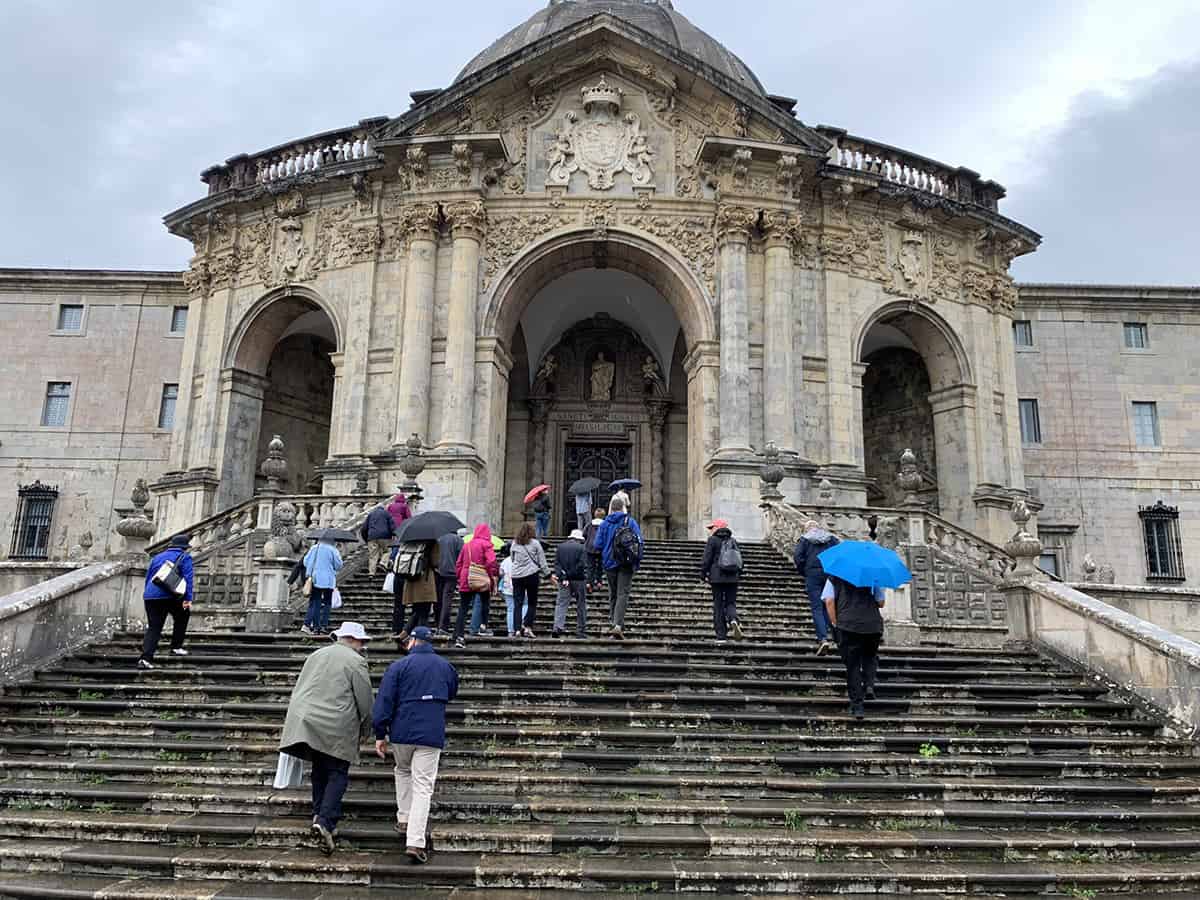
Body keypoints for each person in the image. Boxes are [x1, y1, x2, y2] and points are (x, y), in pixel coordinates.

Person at [279, 621, 374, 855]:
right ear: (352, 639)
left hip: (307, 719)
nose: (363, 646)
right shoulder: (356, 661)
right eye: (362, 642)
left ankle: (319, 814)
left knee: (320, 769)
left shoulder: (316, 654)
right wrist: (367, 727)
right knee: (338, 771)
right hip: (336, 722)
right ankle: (325, 820)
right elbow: (364, 698)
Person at [372, 626, 459, 865]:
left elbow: (384, 703)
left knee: (402, 770)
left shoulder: (398, 667)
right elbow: (452, 692)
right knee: (423, 785)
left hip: (401, 731)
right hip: (430, 732)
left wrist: (380, 733)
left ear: (412, 642)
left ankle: (404, 817)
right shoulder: (445, 666)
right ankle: (415, 840)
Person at [822, 575, 885, 720]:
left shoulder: (834, 577)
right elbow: (881, 602)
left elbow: (829, 601)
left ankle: (858, 706)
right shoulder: (873, 577)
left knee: (853, 665)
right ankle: (869, 684)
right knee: (870, 656)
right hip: (872, 625)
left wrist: (835, 622)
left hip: (848, 625)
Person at [138, 533, 194, 669]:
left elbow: (148, 577)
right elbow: (188, 578)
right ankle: (176, 646)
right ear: (185, 547)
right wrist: (188, 598)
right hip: (169, 595)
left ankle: (145, 659)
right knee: (183, 615)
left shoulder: (157, 557)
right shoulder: (185, 557)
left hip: (150, 596)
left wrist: (147, 593)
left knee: (154, 627)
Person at [593, 495, 643, 640]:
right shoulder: (630, 521)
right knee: (623, 593)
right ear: (622, 508)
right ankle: (617, 625)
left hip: (609, 563)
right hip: (626, 563)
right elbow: (639, 542)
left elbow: (597, 545)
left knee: (613, 593)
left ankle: (613, 622)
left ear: (611, 508)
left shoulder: (604, 524)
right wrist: (637, 561)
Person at [794, 520, 839, 654]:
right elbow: (839, 553)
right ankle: (837, 636)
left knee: (817, 606)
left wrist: (804, 571)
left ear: (806, 529)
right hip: (829, 573)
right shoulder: (830, 538)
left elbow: (797, 557)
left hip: (812, 574)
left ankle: (823, 638)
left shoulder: (805, 539)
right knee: (830, 603)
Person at [453, 524, 499, 649]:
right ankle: (482, 626)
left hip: (466, 577)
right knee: (485, 602)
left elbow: (459, 564)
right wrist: (491, 574)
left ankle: (459, 636)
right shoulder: (486, 544)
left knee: (463, 607)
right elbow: (491, 561)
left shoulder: (467, 545)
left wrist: (459, 578)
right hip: (481, 576)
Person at [699, 519, 744, 643]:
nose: (710, 530)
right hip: (732, 577)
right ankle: (733, 619)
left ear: (717, 528)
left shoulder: (712, 540)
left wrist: (703, 574)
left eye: (712, 527)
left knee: (718, 605)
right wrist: (737, 575)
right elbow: (740, 560)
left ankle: (721, 636)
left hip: (717, 578)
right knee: (730, 602)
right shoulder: (733, 541)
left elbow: (706, 559)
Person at [509, 523, 551, 638]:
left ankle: (517, 629)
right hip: (531, 575)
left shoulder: (514, 543)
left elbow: (512, 559)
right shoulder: (535, 543)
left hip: (517, 576)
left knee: (517, 603)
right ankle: (527, 626)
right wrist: (548, 574)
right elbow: (542, 562)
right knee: (532, 602)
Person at [392, 541, 439, 640]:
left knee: (418, 610)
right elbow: (435, 562)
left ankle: (404, 634)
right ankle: (420, 639)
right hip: (424, 580)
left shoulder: (409, 541)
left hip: (411, 580)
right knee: (423, 612)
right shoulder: (432, 542)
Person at [302, 533, 343, 635]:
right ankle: (324, 625)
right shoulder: (333, 550)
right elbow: (339, 565)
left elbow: (305, 562)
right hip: (328, 579)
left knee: (316, 602)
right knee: (327, 603)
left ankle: (316, 627)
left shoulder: (314, 548)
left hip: (315, 578)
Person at [552, 529, 588, 639]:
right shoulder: (582, 548)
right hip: (578, 579)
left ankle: (557, 627)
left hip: (563, 580)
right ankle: (580, 630)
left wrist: (563, 576)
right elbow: (582, 565)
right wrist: (569, 575)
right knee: (581, 604)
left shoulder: (560, 547)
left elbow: (557, 564)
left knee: (561, 603)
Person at [433, 527, 466, 635]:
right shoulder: (458, 540)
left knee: (438, 599)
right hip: (452, 573)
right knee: (447, 599)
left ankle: (438, 623)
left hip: (438, 571)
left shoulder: (438, 539)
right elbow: (462, 557)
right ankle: (443, 626)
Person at [361, 503, 396, 577]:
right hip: (385, 536)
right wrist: (394, 534)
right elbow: (392, 526)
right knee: (388, 551)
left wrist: (366, 539)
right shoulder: (387, 514)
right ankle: (382, 563)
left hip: (372, 537)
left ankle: (371, 573)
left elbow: (364, 528)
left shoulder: (370, 514)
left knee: (373, 555)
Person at [583, 507, 606, 589]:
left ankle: (589, 582)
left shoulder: (589, 524)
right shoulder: (605, 524)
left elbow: (584, 534)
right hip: (601, 548)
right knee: (600, 565)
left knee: (590, 566)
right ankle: (599, 582)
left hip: (590, 547)